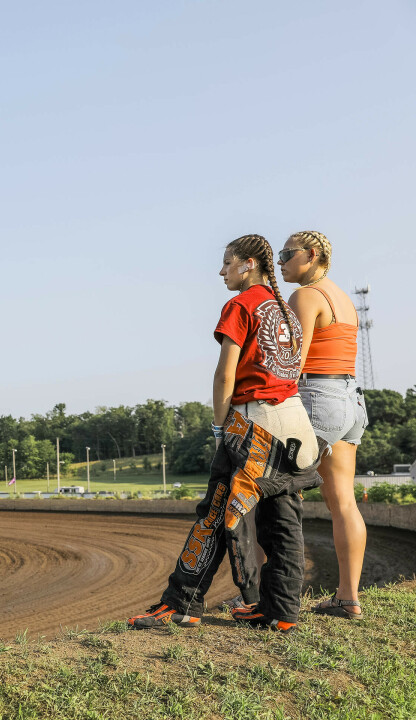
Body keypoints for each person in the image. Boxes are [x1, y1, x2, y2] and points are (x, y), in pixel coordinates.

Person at [129, 234, 324, 633]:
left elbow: (224, 375)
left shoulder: (240, 304)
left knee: (216, 509)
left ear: (248, 263)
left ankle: (182, 603)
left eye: (227, 262)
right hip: (295, 424)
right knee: (283, 519)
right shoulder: (283, 308)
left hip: (253, 425)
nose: (221, 271)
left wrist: (220, 428)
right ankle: (281, 612)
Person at [279, 230, 367, 618]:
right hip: (349, 399)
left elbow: (293, 362)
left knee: (276, 495)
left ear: (311, 255)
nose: (280, 261)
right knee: (344, 502)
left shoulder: (305, 296)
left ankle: (272, 596)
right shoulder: (343, 298)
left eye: (287, 253)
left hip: (314, 397)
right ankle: (348, 598)